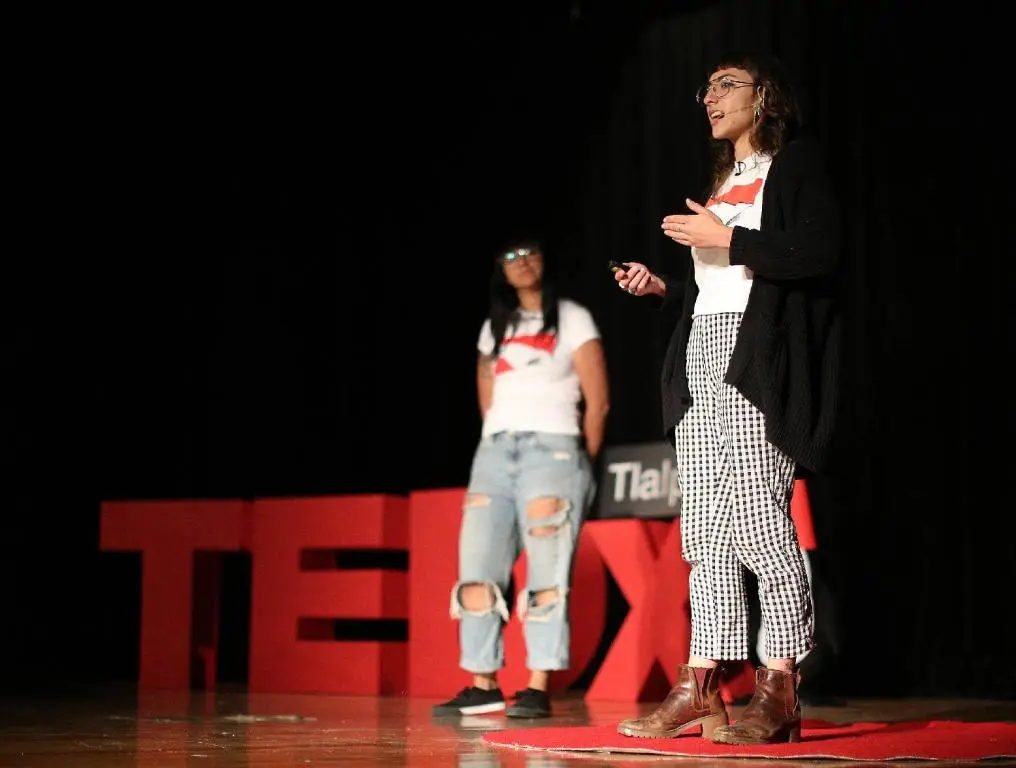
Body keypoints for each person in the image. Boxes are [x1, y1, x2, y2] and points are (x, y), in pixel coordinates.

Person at [612, 52, 841, 745]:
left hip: (756, 360)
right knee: (704, 531)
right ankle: (702, 684)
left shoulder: (793, 165)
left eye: (726, 84)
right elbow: (720, 288)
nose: (709, 97)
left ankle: (780, 682)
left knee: (756, 520)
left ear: (765, 96)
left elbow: (818, 251)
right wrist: (665, 289)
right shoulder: (725, 178)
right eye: (706, 87)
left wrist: (730, 239)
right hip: (701, 352)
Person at [432, 238, 610, 719]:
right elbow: (486, 396)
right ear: (498, 268)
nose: (522, 263)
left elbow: (598, 402)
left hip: (552, 450)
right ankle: (482, 680)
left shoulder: (572, 317)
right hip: (495, 452)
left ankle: (537, 683)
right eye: (510, 257)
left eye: (529, 252)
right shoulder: (495, 328)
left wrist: (579, 465)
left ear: (545, 258)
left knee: (548, 574)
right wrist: (496, 439)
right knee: (477, 568)